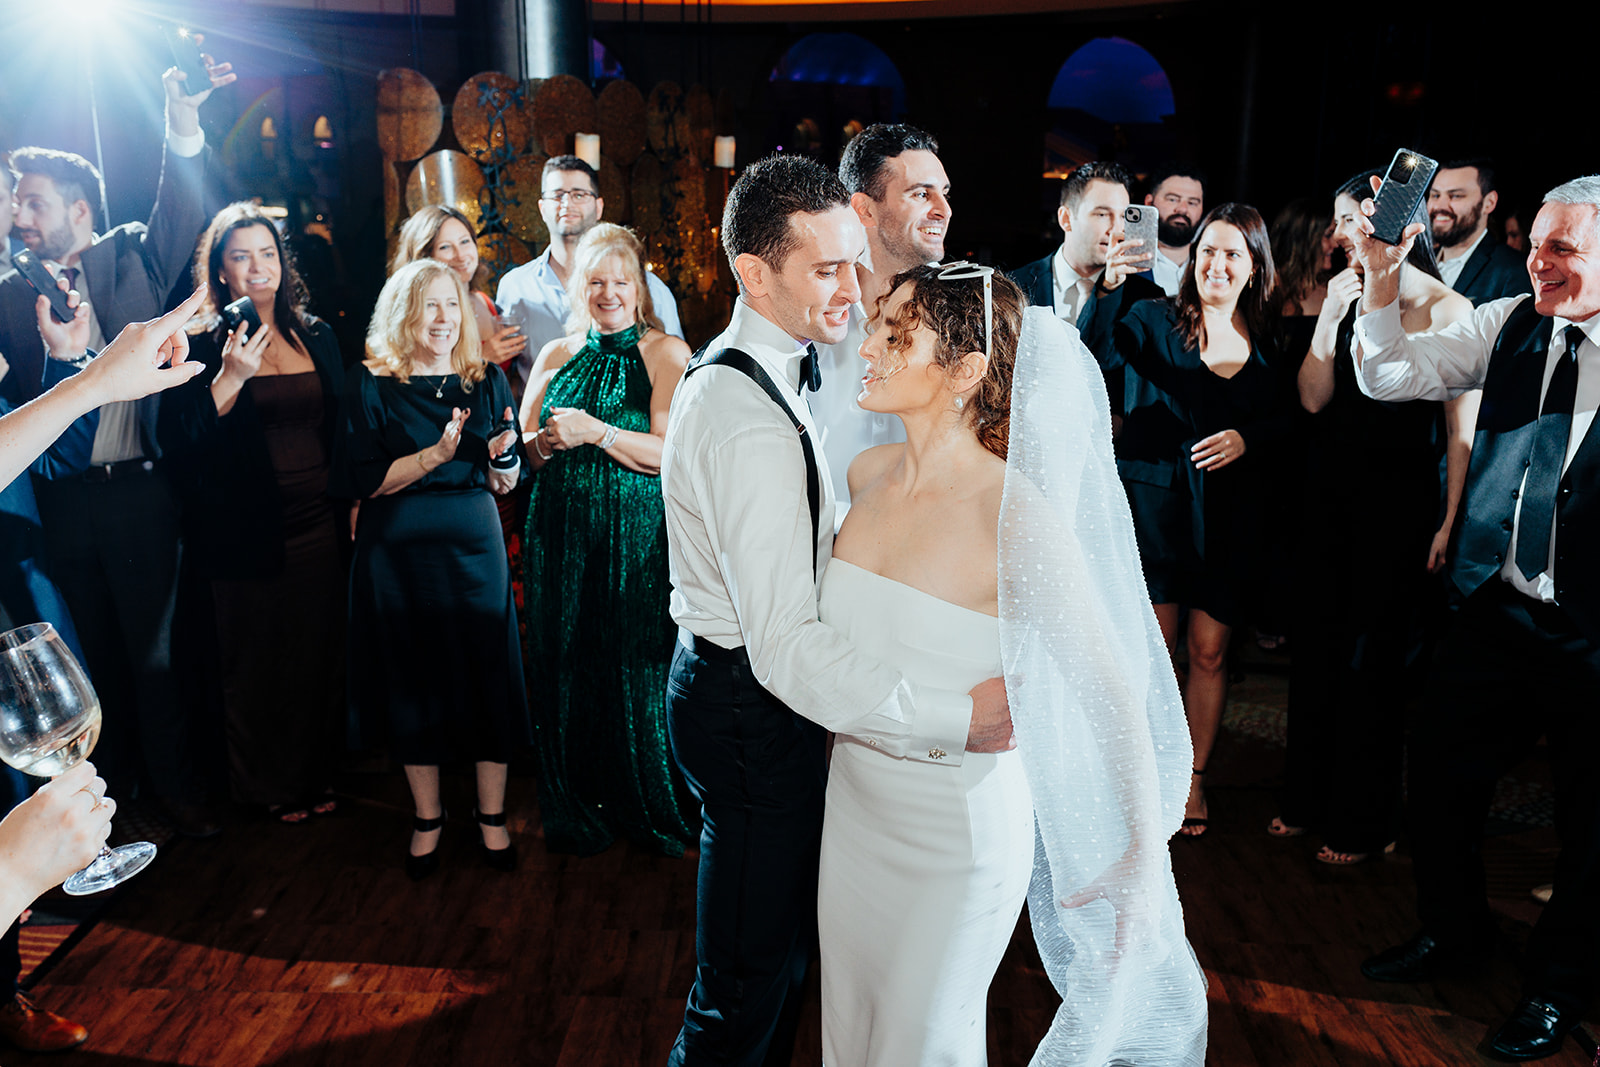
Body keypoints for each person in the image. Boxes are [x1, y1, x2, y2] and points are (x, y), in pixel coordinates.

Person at [659, 153, 1011, 1067]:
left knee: (775, 974)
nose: (855, 291)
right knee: (742, 993)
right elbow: (782, 645)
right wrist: (953, 718)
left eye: (857, 263)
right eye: (826, 268)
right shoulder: (742, 416)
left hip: (743, 698)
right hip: (748, 704)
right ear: (753, 273)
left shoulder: (780, 371)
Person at [819, 263, 1207, 1065]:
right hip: (852, 812)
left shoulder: (1016, 516)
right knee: (851, 1029)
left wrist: (1138, 864)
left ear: (964, 371)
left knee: (919, 1042)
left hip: (956, 838)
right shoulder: (862, 479)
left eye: (897, 334)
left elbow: (1112, 694)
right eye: (877, 324)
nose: (869, 344)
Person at [1351, 174, 1600, 1063]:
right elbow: (1386, 374)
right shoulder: (1507, 323)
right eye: (1537, 240)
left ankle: (1558, 988)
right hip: (1499, 608)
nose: (1540, 260)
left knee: (1591, 824)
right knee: (1443, 776)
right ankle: (1454, 934)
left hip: (1593, 635)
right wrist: (1383, 279)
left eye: (1563, 247)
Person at [0, 54, 234, 840]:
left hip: (141, 492)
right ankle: (109, 808)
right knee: (85, 662)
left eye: (32, 201)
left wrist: (182, 120)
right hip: (55, 505)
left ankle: (180, 798)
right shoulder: (10, 293)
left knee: (158, 659)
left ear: (78, 206)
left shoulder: (133, 254)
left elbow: (185, 206)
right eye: (16, 202)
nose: (21, 214)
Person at [1273, 174, 1472, 865]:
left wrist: (1450, 520)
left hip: (1401, 501)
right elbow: (1311, 398)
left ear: (1395, 223)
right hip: (1330, 492)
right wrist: (1329, 319)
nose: (1339, 236)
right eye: (1337, 224)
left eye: (1350, 221)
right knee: (1319, 648)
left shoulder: (1446, 306)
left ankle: (1365, 819)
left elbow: (1460, 430)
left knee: (1374, 664)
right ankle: (1308, 795)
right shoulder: (1339, 291)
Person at [329, 259, 529, 879]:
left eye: (450, 304)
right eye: (429, 306)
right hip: (397, 551)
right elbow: (364, 482)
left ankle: (491, 818)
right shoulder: (370, 384)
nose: (442, 318)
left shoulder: (486, 381)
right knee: (412, 677)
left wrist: (505, 459)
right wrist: (434, 455)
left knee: (486, 673)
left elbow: (504, 480)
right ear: (403, 314)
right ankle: (428, 817)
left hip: (474, 543)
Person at [1109, 202, 1296, 837]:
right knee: (1155, 649)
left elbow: (1295, 420)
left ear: (1253, 267)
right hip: (1158, 508)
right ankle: (1138, 775)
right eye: (1208, 251)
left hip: (1232, 516)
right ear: (1192, 260)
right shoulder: (1152, 317)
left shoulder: (1272, 336)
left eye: (1232, 254)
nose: (1216, 264)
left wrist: (1249, 438)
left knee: (1210, 652)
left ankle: (1192, 778)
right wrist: (1109, 287)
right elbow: (1098, 355)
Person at [157, 202, 347, 824]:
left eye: (266, 253)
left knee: (314, 656)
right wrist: (230, 378)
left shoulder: (314, 333)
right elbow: (179, 444)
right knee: (256, 663)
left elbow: (340, 427)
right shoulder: (201, 343)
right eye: (240, 257)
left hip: (320, 524)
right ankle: (266, 786)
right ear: (220, 271)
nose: (256, 267)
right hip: (245, 534)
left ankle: (317, 775)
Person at [517, 223, 694, 857]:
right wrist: (545, 442)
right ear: (577, 286)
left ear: (640, 287)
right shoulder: (555, 355)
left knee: (635, 661)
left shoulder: (666, 354)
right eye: (596, 280)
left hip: (637, 537)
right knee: (568, 660)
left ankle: (647, 804)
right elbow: (528, 451)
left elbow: (670, 452)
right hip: (560, 534)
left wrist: (593, 431)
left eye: (622, 280)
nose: (609, 292)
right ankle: (575, 800)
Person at [811, 122, 943, 511]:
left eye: (944, 194)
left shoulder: (961, 317)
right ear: (864, 209)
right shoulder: (809, 310)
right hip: (818, 548)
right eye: (921, 194)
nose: (943, 210)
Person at [496, 157, 682, 401]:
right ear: (542, 208)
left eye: (579, 194)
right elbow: (506, 377)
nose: (567, 203)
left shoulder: (647, 287)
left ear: (599, 207)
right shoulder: (514, 287)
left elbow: (677, 376)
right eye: (557, 195)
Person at [1008, 161, 1162, 408]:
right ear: (1066, 219)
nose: (1116, 228)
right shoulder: (1014, 286)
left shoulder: (1145, 298)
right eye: (1102, 214)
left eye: (1123, 216)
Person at [391, 205, 525, 376]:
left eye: (465, 242)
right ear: (424, 257)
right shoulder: (418, 314)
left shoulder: (484, 301)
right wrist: (482, 360)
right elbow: (419, 383)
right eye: (445, 247)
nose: (461, 256)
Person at [1428, 158, 1533, 306]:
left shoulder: (1514, 271)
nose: (1440, 206)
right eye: (1435, 195)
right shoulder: (1412, 264)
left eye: (1456, 195)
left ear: (1488, 203)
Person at [1144, 163, 1207, 297]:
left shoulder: (1212, 265)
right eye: (1173, 199)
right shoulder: (1128, 260)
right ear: (1149, 202)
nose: (1182, 209)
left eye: (1192, 203)